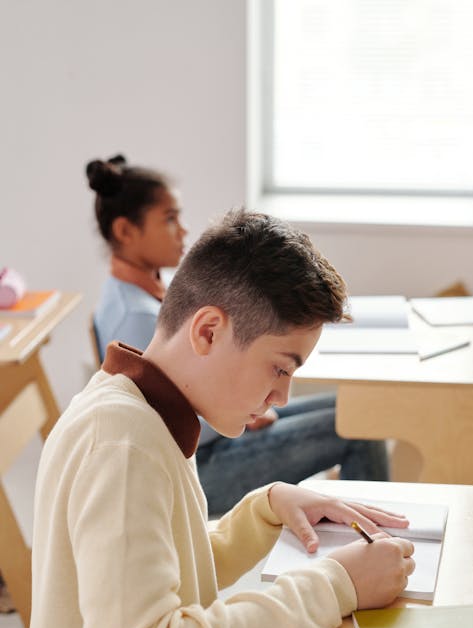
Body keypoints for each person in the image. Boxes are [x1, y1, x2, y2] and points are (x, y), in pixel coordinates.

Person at [12, 208, 414, 628]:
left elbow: (166, 571)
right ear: (207, 330)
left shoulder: (138, 409)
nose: (283, 396)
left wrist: (265, 510)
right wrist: (335, 586)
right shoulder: (123, 445)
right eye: (280, 368)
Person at [89, 155, 389, 515]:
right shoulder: (134, 315)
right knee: (358, 429)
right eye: (170, 219)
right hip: (209, 459)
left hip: (207, 439)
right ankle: (371, 544)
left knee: (356, 411)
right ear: (125, 231)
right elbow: (170, 413)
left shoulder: (145, 291)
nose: (183, 230)